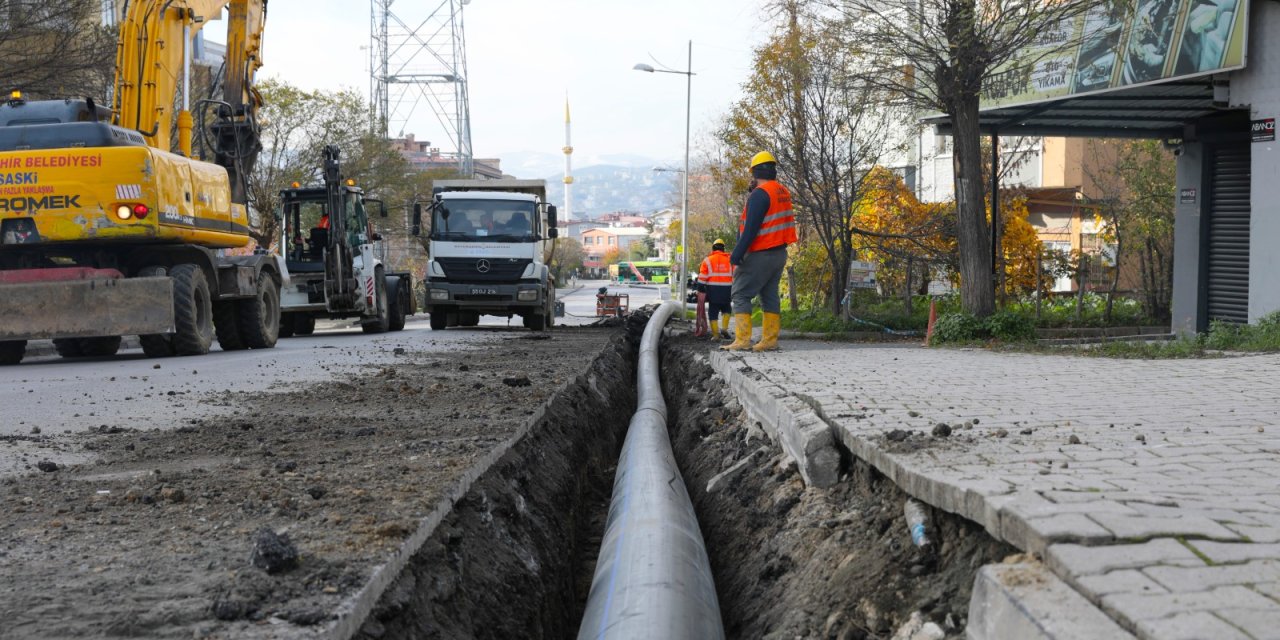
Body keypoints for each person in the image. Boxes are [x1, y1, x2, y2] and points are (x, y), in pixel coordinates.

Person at [722, 151, 797, 352]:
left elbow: (751, 229)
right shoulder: (782, 191)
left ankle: (742, 340)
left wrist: (737, 253)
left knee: (740, 294)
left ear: (754, 172)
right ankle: (770, 340)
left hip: (760, 252)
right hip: (779, 253)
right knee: (769, 294)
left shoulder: (760, 194)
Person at [697, 239, 734, 341]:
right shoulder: (730, 260)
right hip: (727, 291)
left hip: (713, 292)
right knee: (727, 309)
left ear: (713, 248)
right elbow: (736, 275)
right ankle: (724, 329)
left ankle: (716, 335)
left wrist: (700, 289)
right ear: (723, 249)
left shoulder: (707, 260)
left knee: (713, 313)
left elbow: (702, 277)